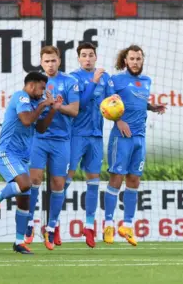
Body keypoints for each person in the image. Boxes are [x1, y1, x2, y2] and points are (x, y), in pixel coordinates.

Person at [102, 45, 166, 246]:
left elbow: (137, 102)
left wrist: (152, 107)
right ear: (125, 61)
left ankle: (127, 225)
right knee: (116, 178)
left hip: (140, 136)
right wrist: (118, 121)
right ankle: (108, 224)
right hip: (121, 137)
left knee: (134, 180)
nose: (136, 61)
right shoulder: (116, 80)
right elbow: (106, 105)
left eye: (139, 58)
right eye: (132, 58)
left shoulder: (146, 81)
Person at [0, 72, 63, 254]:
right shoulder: (21, 97)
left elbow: (41, 128)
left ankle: (19, 242)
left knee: (24, 200)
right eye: (42, 88)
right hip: (6, 152)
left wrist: (53, 109)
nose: (44, 91)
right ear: (32, 85)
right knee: (26, 185)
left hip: (22, 157)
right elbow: (26, 120)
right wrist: (43, 104)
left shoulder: (35, 103)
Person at [26, 46, 81, 250]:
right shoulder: (34, 83)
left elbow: (74, 110)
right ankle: (29, 224)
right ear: (41, 63)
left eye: (53, 60)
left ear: (59, 61)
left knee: (58, 184)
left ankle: (50, 228)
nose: (50, 64)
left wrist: (58, 107)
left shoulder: (70, 82)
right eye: (46, 61)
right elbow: (28, 110)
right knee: (34, 180)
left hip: (61, 140)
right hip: (39, 139)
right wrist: (44, 106)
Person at [68, 42, 112, 248]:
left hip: (96, 136)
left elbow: (112, 103)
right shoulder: (73, 78)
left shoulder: (106, 77)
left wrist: (116, 108)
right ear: (78, 58)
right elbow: (81, 104)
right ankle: (52, 226)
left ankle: (89, 226)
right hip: (77, 135)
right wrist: (94, 82)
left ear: (96, 57)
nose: (87, 58)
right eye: (83, 55)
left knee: (93, 181)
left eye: (90, 55)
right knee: (65, 179)